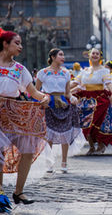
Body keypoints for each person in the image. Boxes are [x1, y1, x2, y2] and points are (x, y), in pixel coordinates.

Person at [0, 28, 50, 212]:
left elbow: (33, 92)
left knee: (28, 148)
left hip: (13, 113)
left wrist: (44, 98)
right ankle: (0, 193)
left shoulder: (20, 69)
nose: (21, 46)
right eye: (17, 43)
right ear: (5, 44)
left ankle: (18, 192)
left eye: (21, 43)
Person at [36, 48, 85, 173]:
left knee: (66, 133)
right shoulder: (43, 72)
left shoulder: (66, 73)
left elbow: (68, 92)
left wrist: (73, 98)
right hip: (49, 103)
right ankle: (49, 162)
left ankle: (64, 162)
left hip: (63, 103)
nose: (63, 57)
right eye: (60, 55)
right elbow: (36, 91)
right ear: (53, 57)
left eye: (63, 55)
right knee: (49, 135)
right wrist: (43, 99)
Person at [71, 48, 112, 155]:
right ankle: (91, 146)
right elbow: (75, 83)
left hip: (99, 99)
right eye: (93, 53)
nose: (95, 55)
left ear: (100, 57)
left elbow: (108, 83)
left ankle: (101, 145)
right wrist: (63, 89)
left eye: (97, 54)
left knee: (98, 122)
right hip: (85, 100)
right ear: (89, 56)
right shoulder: (85, 71)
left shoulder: (104, 70)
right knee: (84, 123)